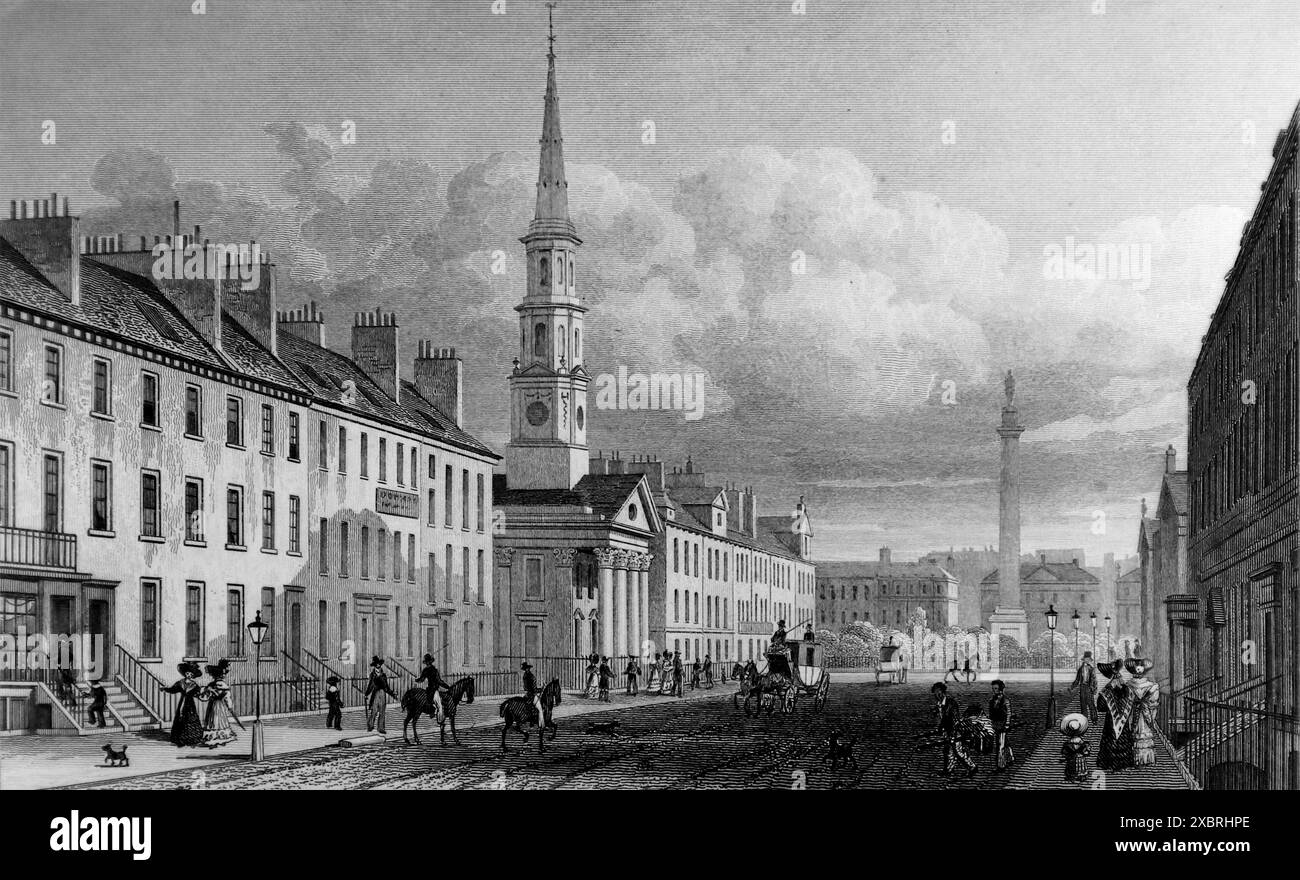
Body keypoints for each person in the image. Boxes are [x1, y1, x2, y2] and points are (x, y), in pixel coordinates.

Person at [1095, 661, 1135, 772]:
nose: (1120, 679)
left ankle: (1111, 764)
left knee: (1111, 739)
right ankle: (1122, 764)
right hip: (1122, 721)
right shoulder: (1127, 689)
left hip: (1111, 721)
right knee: (1122, 739)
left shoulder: (1107, 690)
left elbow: (1100, 707)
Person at [932, 682, 975, 777]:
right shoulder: (939, 704)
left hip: (955, 730)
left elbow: (955, 720)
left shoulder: (951, 703)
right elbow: (942, 719)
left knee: (958, 751)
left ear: (943, 692)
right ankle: (948, 769)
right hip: (947, 730)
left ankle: (972, 767)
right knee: (948, 750)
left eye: (939, 693)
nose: (937, 696)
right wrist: (940, 728)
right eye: (935, 694)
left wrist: (953, 734)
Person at [163, 661, 205, 747]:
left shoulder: (194, 685)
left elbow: (198, 694)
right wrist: (165, 689)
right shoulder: (180, 683)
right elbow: (173, 689)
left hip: (190, 704)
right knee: (180, 718)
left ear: (193, 675)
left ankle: (191, 739)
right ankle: (179, 739)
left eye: (191, 674)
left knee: (190, 718)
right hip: (182, 703)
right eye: (188, 673)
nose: (189, 675)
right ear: (185, 673)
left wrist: (202, 694)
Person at [1127, 659, 1160, 766]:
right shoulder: (1151, 685)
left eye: (1141, 666)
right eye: (1137, 667)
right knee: (1140, 730)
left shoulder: (1130, 684)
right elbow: (1153, 702)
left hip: (1138, 711)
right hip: (1140, 711)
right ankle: (1143, 759)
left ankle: (1141, 759)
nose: (1139, 668)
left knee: (1139, 731)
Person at [200, 659, 238, 748]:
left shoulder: (212, 685)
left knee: (215, 720)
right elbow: (227, 697)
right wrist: (229, 706)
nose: (223, 676)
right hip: (218, 705)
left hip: (214, 705)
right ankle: (219, 739)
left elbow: (205, 696)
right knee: (217, 720)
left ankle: (217, 739)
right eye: (222, 675)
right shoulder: (220, 685)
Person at [363, 656, 396, 734]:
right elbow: (370, 685)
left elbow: (386, 687)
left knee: (382, 711)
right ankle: (370, 725)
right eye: (376, 664)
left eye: (379, 664)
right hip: (375, 693)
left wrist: (392, 693)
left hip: (383, 693)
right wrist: (367, 694)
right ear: (374, 665)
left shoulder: (383, 675)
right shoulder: (372, 675)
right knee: (374, 710)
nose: (378, 666)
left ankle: (381, 728)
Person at [988, 679, 1014, 770]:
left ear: (1000, 689)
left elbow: (1009, 713)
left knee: (1001, 745)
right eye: (993, 688)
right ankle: (1010, 758)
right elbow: (991, 714)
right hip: (995, 725)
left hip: (1002, 725)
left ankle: (1001, 765)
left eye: (995, 688)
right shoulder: (992, 700)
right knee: (1005, 742)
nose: (993, 690)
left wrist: (1007, 724)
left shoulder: (1005, 700)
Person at [416, 653, 452, 721]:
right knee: (440, 706)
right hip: (434, 690)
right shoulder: (434, 670)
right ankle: (440, 721)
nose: (427, 663)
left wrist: (417, 680)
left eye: (427, 662)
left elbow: (421, 679)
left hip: (428, 690)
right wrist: (447, 686)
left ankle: (433, 713)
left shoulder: (425, 670)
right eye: (427, 662)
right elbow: (439, 681)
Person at [1060, 713, 1091, 782]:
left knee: (1071, 766)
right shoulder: (1081, 741)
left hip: (1071, 758)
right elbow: (1085, 751)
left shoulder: (1069, 741)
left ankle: (1072, 776)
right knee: (1080, 766)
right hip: (1080, 757)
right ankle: (1081, 776)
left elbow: (1065, 752)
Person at [1069, 651, 1098, 722]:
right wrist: (1072, 687)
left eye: (1089, 659)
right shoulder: (1080, 669)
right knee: (1083, 705)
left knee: (1091, 704)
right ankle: (1084, 720)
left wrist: (1094, 690)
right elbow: (1077, 680)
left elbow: (1094, 680)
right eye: (1086, 659)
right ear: (1084, 659)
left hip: (1089, 688)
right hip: (1082, 688)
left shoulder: (1091, 669)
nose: (1087, 660)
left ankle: (1094, 719)